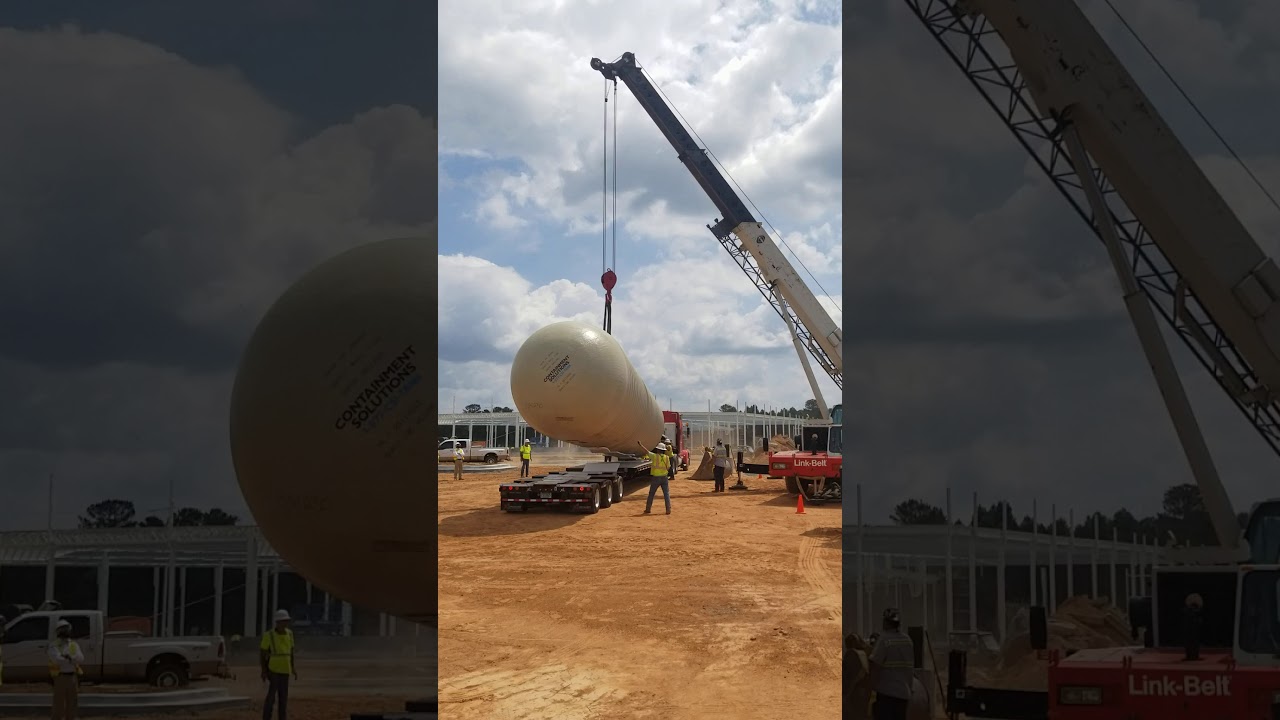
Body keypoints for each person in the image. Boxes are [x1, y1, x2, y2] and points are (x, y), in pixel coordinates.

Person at [865, 608, 915, 720]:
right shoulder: (908, 640)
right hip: (903, 694)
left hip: (886, 695)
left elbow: (875, 665)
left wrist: (869, 688)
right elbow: (910, 668)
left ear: (886, 622)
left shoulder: (885, 639)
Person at [260, 609, 297, 720]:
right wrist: (264, 671)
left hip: (285, 670)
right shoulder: (269, 635)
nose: (285, 623)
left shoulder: (290, 634)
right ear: (277, 622)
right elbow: (263, 654)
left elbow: (291, 652)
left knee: (283, 698)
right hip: (274, 670)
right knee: (271, 698)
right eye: (283, 621)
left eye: (286, 621)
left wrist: (293, 667)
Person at [48, 619, 84, 720]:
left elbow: (81, 659)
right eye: (63, 629)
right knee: (59, 703)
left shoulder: (74, 644)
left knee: (72, 702)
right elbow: (57, 660)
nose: (66, 631)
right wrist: (72, 659)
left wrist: (69, 657)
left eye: (67, 629)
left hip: (72, 677)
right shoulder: (53, 645)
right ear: (59, 631)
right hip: (60, 677)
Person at [644, 442, 672, 515]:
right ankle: (668, 509)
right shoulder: (667, 457)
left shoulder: (654, 456)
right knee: (666, 494)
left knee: (651, 494)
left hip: (656, 478)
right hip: (664, 477)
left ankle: (648, 509)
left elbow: (646, 451)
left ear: (658, 450)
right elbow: (668, 467)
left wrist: (640, 445)